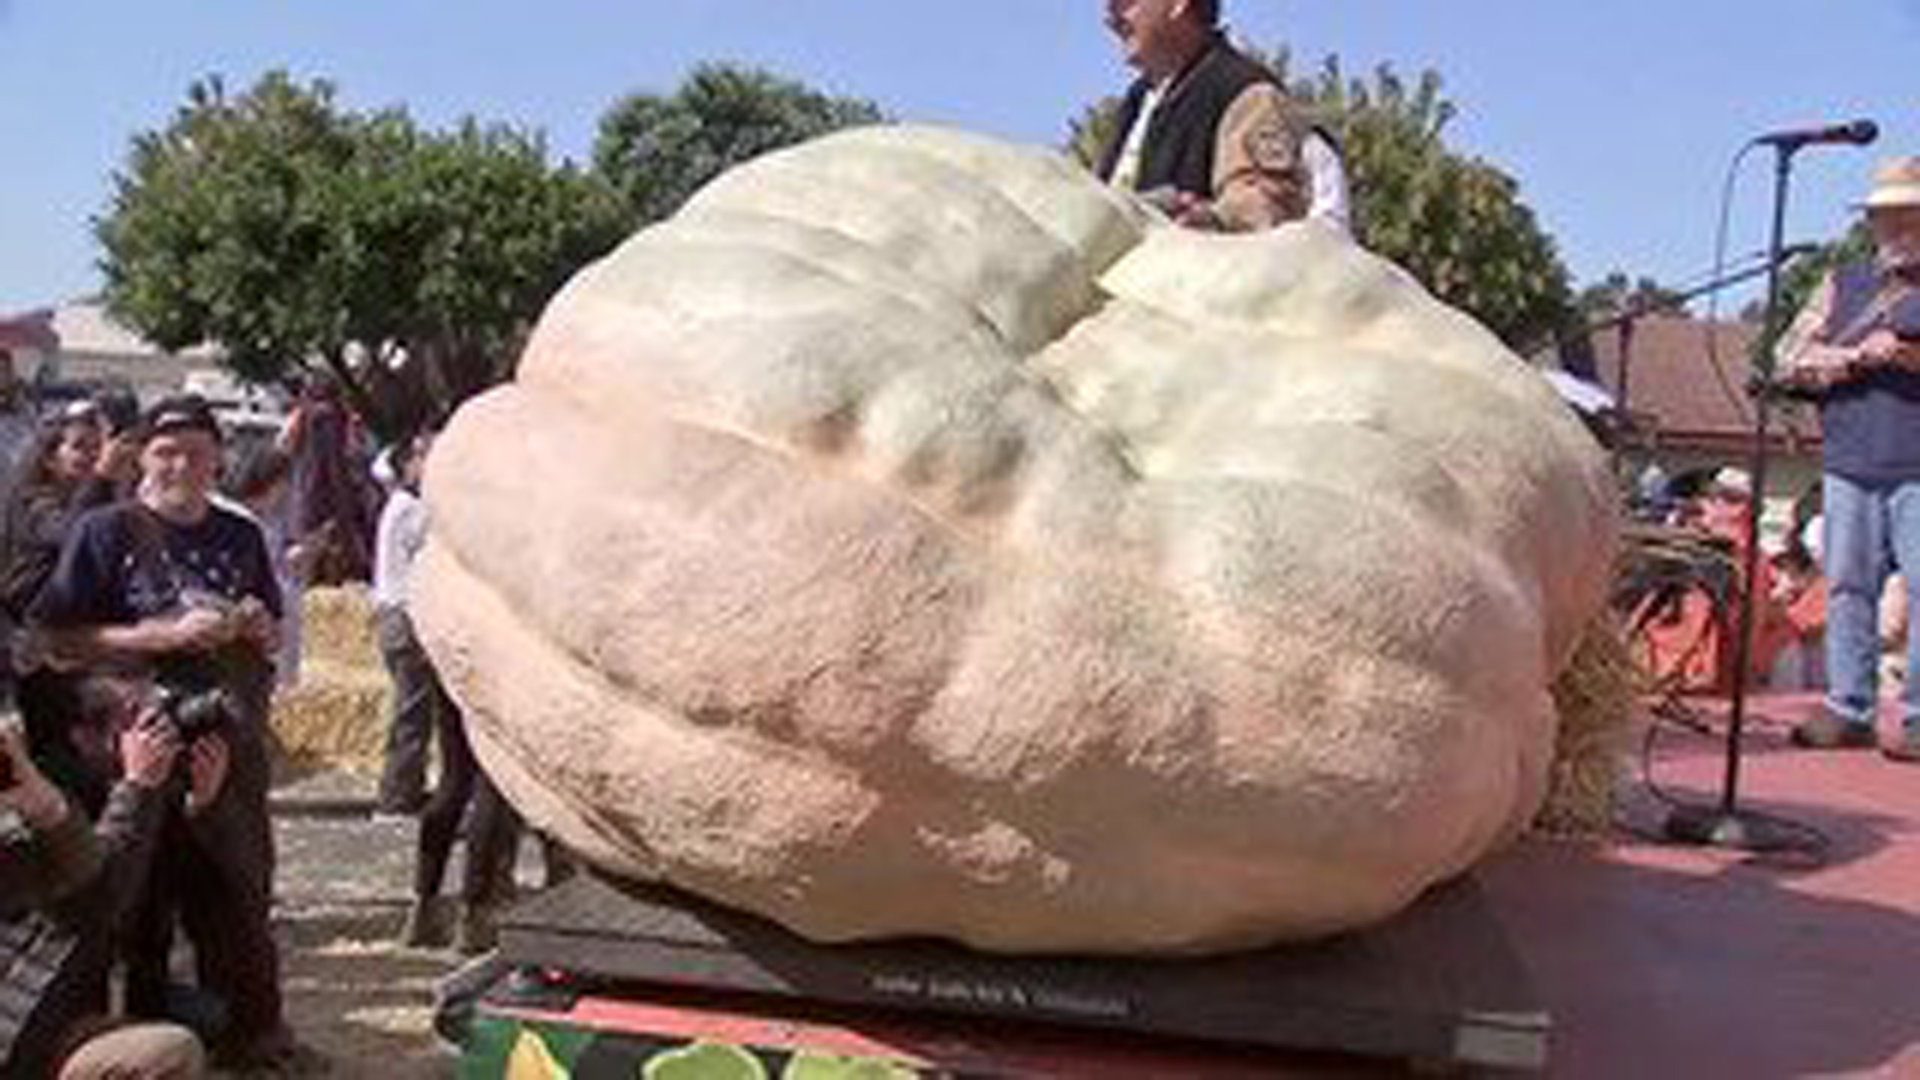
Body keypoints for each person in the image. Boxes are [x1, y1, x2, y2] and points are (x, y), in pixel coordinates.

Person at [28, 394, 306, 1071]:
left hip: (224, 742)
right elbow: (54, 639)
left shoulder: (239, 535)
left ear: (218, 460)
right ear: (142, 458)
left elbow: (270, 625)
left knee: (237, 894)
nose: (182, 464)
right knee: (130, 901)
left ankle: (249, 1039)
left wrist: (258, 628)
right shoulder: (105, 531)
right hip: (135, 747)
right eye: (166, 451)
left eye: (198, 453)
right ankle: (122, 1044)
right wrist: (162, 634)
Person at [1775, 156, 1920, 760]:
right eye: (1887, 218)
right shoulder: (1842, 283)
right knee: (1847, 589)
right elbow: (1788, 357)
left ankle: (1917, 719)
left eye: (1908, 217)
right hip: (1849, 459)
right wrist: (1858, 357)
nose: (1896, 230)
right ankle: (1849, 706)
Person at [1, 689, 217, 1079]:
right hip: (18, 1036)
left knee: (194, 1027)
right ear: (79, 733)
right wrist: (135, 788)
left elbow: (142, 899)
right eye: (131, 721)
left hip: (45, 1023)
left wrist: (195, 811)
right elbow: (96, 898)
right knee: (166, 1051)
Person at [1095, 0, 1345, 231]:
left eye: (1125, 1)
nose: (1110, 18)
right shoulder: (1136, 104)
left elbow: (1265, 207)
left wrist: (1213, 220)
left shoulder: (1247, 94)